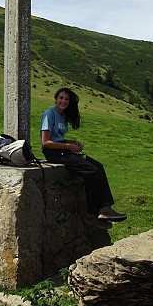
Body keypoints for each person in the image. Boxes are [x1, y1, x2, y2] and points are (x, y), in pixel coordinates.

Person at [40, 87, 127, 224]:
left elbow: (58, 138)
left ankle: (105, 207)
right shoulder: (49, 114)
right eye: (61, 98)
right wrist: (68, 146)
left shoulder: (63, 116)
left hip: (62, 149)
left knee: (98, 166)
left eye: (66, 99)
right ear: (56, 99)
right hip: (53, 153)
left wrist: (71, 142)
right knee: (90, 171)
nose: (63, 101)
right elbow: (46, 142)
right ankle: (91, 212)